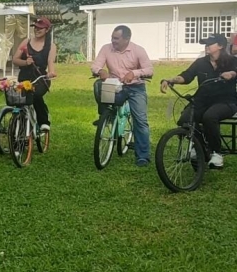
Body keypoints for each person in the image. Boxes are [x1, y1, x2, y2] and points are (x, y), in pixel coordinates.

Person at [160, 33, 237, 168]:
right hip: (202, 100)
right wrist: (171, 80)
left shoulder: (232, 61)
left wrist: (231, 74)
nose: (206, 46)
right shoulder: (201, 62)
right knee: (185, 119)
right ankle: (200, 148)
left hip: (225, 101)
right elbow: (187, 76)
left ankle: (216, 153)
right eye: (205, 43)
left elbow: (235, 72)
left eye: (210, 43)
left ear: (220, 46)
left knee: (210, 116)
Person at [91, 25, 153, 167]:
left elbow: (149, 70)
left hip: (135, 87)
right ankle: (105, 117)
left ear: (127, 39)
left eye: (116, 38)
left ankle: (142, 156)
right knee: (99, 87)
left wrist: (134, 73)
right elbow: (95, 66)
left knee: (141, 121)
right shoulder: (106, 49)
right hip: (115, 85)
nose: (113, 41)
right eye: (112, 38)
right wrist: (100, 71)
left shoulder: (138, 50)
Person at [12, 17, 58, 132]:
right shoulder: (26, 42)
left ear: (47, 30)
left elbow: (50, 61)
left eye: (40, 28)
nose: (37, 30)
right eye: (35, 28)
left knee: (36, 95)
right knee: (19, 101)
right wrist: (25, 62)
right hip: (24, 77)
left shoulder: (51, 46)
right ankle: (19, 128)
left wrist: (51, 72)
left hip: (40, 78)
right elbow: (15, 59)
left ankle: (44, 121)